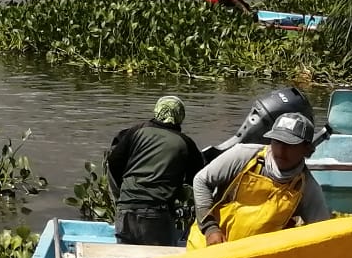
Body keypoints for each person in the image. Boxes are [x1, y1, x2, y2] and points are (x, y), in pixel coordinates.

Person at [187, 111, 329, 248]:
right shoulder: (243, 155)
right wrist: (210, 228)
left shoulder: (308, 188)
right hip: (209, 246)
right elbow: (201, 180)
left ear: (307, 149)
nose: (280, 150)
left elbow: (322, 234)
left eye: (290, 144)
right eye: (277, 141)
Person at [105, 95, 204, 245]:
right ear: (180, 116)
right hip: (157, 213)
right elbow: (197, 179)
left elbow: (113, 162)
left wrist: (123, 193)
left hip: (126, 209)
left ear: (157, 111)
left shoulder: (136, 131)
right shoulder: (185, 143)